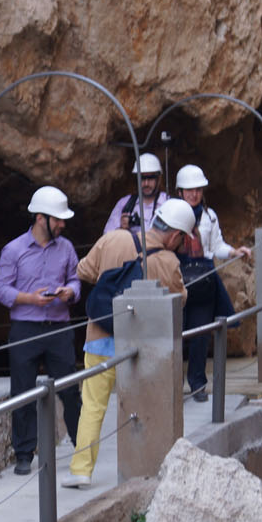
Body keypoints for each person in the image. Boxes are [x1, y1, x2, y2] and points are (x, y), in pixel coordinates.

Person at [63, 198, 194, 488]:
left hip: (100, 339)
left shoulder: (113, 239)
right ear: (175, 235)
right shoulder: (169, 261)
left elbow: (83, 271)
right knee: (142, 403)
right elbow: (180, 300)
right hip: (140, 347)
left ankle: (81, 470)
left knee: (93, 405)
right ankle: (146, 464)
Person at [0, 186, 83, 476]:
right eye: (58, 219)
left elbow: (76, 278)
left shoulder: (66, 248)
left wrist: (71, 291)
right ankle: (23, 454)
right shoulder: (14, 250)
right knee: (23, 391)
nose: (63, 224)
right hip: (25, 329)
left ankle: (81, 445)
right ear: (41, 218)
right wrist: (30, 298)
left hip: (59, 328)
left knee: (70, 388)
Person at [173, 164, 250, 401]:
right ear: (180, 192)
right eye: (189, 190)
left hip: (204, 278)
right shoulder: (171, 213)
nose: (194, 194)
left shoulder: (210, 216)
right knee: (175, 333)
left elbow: (216, 246)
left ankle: (197, 385)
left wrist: (234, 252)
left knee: (201, 333)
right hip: (178, 278)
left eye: (197, 189)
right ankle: (171, 386)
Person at [102, 153, 169, 233]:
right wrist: (122, 229)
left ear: (159, 179)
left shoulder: (168, 204)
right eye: (142, 178)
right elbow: (108, 236)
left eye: (151, 178)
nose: (146, 184)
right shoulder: (124, 203)